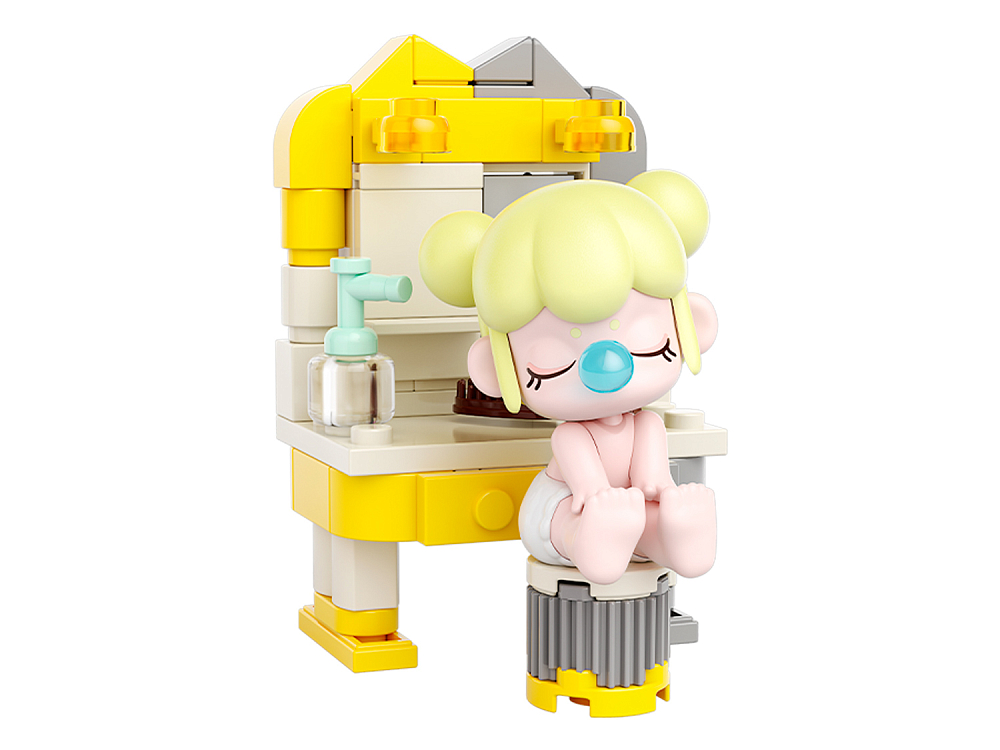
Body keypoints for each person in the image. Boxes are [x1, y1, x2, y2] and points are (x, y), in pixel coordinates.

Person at [419, 171, 719, 585]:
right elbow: (586, 488)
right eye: (553, 361)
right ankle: (589, 542)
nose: (608, 364)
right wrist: (599, 501)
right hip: (569, 504)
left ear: (694, 327)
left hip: (625, 506)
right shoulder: (571, 435)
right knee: (569, 518)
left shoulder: (649, 425)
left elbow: (653, 479)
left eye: (648, 341)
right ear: (494, 368)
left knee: (646, 515)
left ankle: (676, 539)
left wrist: (664, 498)